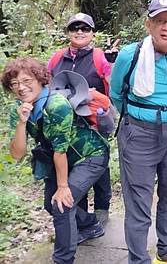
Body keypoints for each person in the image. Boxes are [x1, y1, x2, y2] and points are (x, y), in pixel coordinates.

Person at [110, 0, 167, 264]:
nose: (166, 27)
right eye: (159, 21)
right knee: (139, 201)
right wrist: (142, 117)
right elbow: (116, 94)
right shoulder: (130, 55)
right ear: (148, 25)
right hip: (139, 134)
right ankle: (138, 260)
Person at [3, 57, 109, 264]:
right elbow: (17, 154)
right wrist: (22, 123)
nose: (21, 88)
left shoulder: (56, 104)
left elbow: (60, 150)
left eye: (26, 81)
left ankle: (62, 259)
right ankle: (90, 225)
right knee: (50, 204)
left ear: (40, 79)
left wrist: (63, 187)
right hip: (60, 159)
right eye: (14, 84)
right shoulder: (20, 108)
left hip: (89, 156)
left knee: (61, 204)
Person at [48, 12, 118, 225]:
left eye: (85, 28)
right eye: (75, 28)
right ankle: (80, 213)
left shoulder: (99, 57)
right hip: (67, 123)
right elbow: (49, 84)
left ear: (92, 33)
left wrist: (112, 61)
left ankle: (101, 210)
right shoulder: (57, 58)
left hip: (95, 120)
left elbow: (113, 85)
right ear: (68, 32)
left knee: (99, 165)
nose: (79, 32)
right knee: (72, 164)